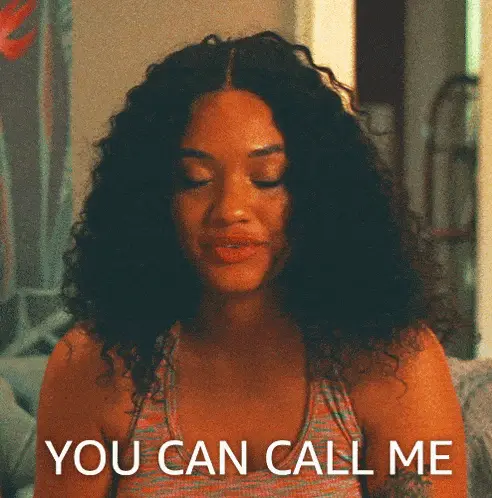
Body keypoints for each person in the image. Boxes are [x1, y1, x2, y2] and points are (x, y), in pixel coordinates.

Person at [34, 32, 467, 497]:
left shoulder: (393, 365)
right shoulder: (96, 367)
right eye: (195, 179)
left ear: (320, 191)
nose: (230, 209)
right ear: (153, 196)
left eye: (267, 178)